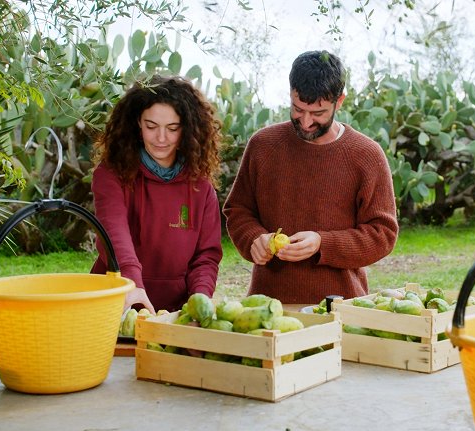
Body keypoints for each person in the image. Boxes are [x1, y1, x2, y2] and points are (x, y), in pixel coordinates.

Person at [223, 50, 399, 305]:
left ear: (339, 101)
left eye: (318, 113)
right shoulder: (263, 145)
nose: (305, 122)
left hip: (340, 309)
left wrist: (322, 243)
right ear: (290, 93)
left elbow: (382, 234)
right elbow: (238, 210)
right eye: (298, 109)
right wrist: (253, 239)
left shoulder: (367, 155)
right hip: (266, 307)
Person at [91, 75, 223, 313]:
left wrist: (199, 301)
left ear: (188, 129)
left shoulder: (201, 186)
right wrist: (131, 283)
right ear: (137, 124)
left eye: (172, 129)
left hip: (175, 313)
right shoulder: (111, 174)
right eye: (151, 126)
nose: (161, 139)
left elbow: (206, 257)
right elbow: (114, 232)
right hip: (116, 303)